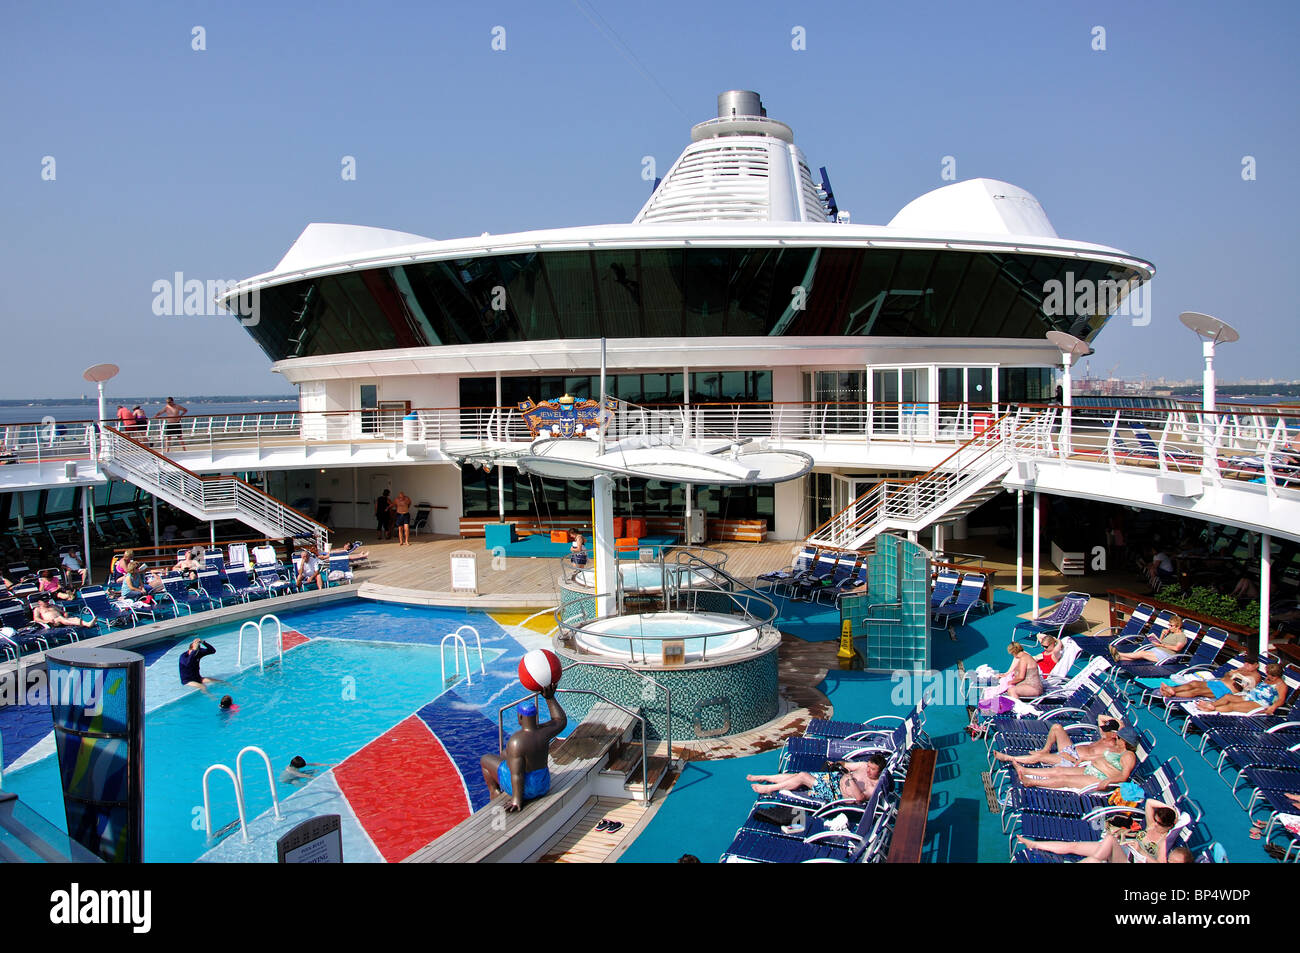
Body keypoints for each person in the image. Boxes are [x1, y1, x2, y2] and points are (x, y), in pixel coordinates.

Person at [480, 684, 567, 812]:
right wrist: (550, 698)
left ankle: (495, 793)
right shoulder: (544, 731)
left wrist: (516, 799)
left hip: (528, 791)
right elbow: (560, 720)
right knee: (505, 754)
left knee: (485, 759)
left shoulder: (516, 741)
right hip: (543, 785)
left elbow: (517, 774)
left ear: (520, 717)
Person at [1016, 799, 1179, 863]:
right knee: (1074, 846)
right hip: (1121, 849)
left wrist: (1141, 850)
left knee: (1100, 853)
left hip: (1130, 860)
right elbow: (1150, 803)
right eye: (1156, 821)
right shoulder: (1150, 826)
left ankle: (1097, 858)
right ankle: (1034, 843)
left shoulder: (1164, 840)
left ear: (1169, 826)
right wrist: (1173, 810)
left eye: (1160, 823)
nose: (1156, 825)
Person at [1011, 726, 1139, 791]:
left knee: (1064, 779)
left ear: (1125, 741)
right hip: (1090, 769)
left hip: (1100, 778)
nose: (1116, 738)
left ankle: (1032, 782)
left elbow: (1124, 776)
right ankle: (1026, 771)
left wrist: (1108, 781)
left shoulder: (1129, 755)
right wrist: (1085, 759)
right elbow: (1103, 757)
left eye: (1119, 738)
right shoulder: (1117, 749)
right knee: (1059, 770)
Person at [747, 752, 889, 804]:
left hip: (835, 793)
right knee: (796, 775)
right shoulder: (863, 766)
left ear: (880, 771)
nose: (868, 770)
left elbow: (859, 799)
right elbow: (846, 764)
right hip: (833, 778)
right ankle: (765, 777)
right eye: (869, 766)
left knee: (802, 776)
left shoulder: (874, 787)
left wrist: (849, 778)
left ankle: (769, 788)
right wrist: (837, 764)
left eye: (873, 769)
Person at [993, 716, 1124, 768]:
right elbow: (1100, 717)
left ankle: (1009, 758)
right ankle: (1046, 749)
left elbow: (1094, 760)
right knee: (1057, 728)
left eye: (1107, 730)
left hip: (1073, 759)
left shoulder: (1112, 747)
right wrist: (1120, 723)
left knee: (1039, 757)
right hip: (1071, 749)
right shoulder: (1104, 736)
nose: (1103, 730)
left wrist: (1072, 759)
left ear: (1114, 734)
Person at [1194, 663, 1288, 716]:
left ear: (1278, 675)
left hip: (1260, 704)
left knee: (1232, 706)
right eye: (1267, 674)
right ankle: (1210, 705)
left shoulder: (1281, 686)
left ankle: (1211, 710)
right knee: (1227, 697)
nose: (1268, 677)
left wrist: (1273, 707)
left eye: (1271, 676)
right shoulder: (1268, 679)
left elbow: (1281, 700)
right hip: (1249, 696)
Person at [1155, 654, 1260, 700]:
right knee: (1194, 683)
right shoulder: (1241, 669)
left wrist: (1235, 675)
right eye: (1246, 663)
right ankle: (1172, 689)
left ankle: (1172, 695)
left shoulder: (1255, 675)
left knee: (1197, 691)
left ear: (1256, 665)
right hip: (1218, 683)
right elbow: (1225, 675)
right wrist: (1233, 673)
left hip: (1226, 690)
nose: (1246, 665)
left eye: (1250, 664)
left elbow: (1248, 688)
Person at [1113, 614, 1189, 665]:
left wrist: (1162, 645)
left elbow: (1177, 648)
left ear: (1178, 626)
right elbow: (1161, 642)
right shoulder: (1171, 633)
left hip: (1167, 656)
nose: (1169, 627)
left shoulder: (1182, 636)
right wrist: (1162, 635)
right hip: (1158, 650)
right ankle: (1119, 657)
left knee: (1142, 654)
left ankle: (1119, 654)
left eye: (1171, 626)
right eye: (1169, 625)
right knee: (1140, 654)